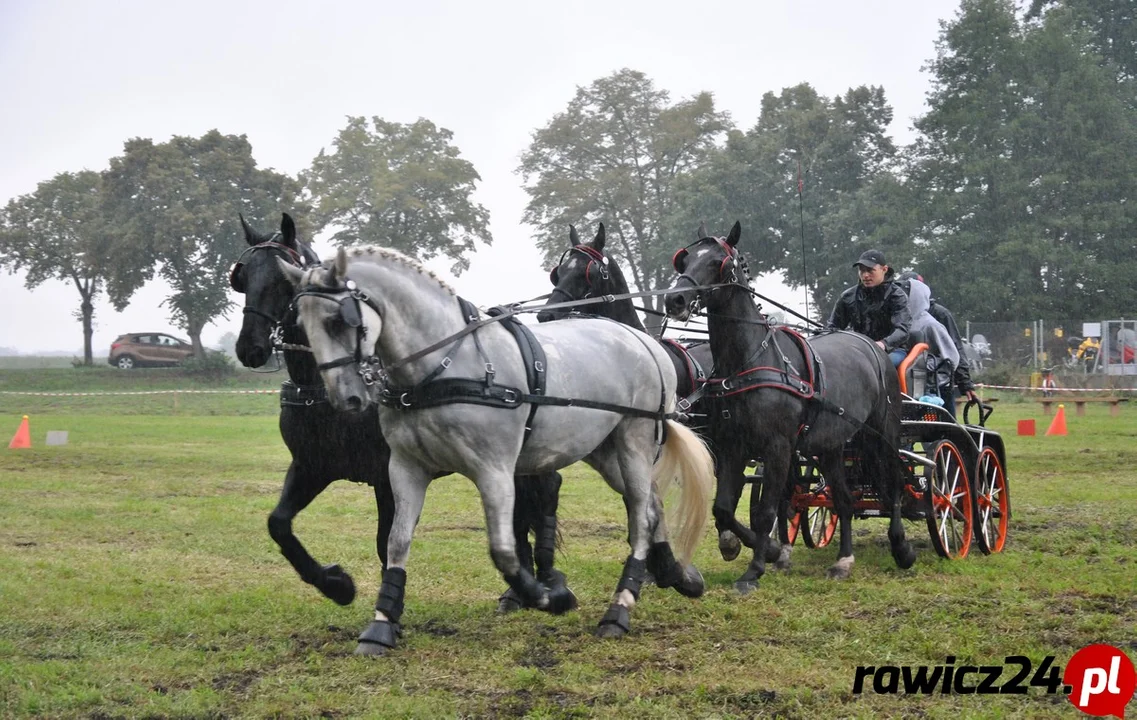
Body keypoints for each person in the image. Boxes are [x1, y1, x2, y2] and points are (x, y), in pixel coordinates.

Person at [897, 271, 980, 416]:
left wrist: (965, 384)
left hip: (937, 385)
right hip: (911, 383)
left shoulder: (937, 317)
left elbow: (954, 351)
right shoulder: (900, 319)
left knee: (944, 426)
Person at [827, 249, 910, 367]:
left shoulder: (897, 296)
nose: (865, 275)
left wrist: (883, 344)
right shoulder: (848, 297)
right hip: (858, 350)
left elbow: (902, 330)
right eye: (862, 270)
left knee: (874, 365)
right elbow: (833, 328)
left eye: (870, 270)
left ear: (884, 269)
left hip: (893, 351)